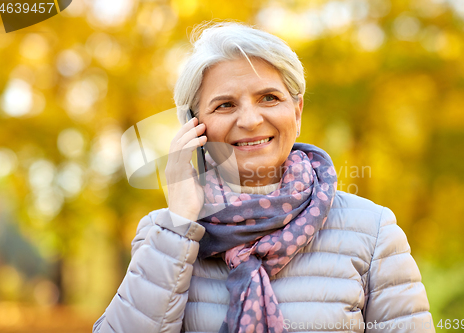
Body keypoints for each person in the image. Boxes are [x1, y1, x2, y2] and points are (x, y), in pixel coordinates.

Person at [92, 21, 435, 333]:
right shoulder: (163, 233)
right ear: (194, 127)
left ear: (296, 111)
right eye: (224, 105)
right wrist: (182, 224)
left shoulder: (373, 232)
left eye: (269, 98)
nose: (251, 120)